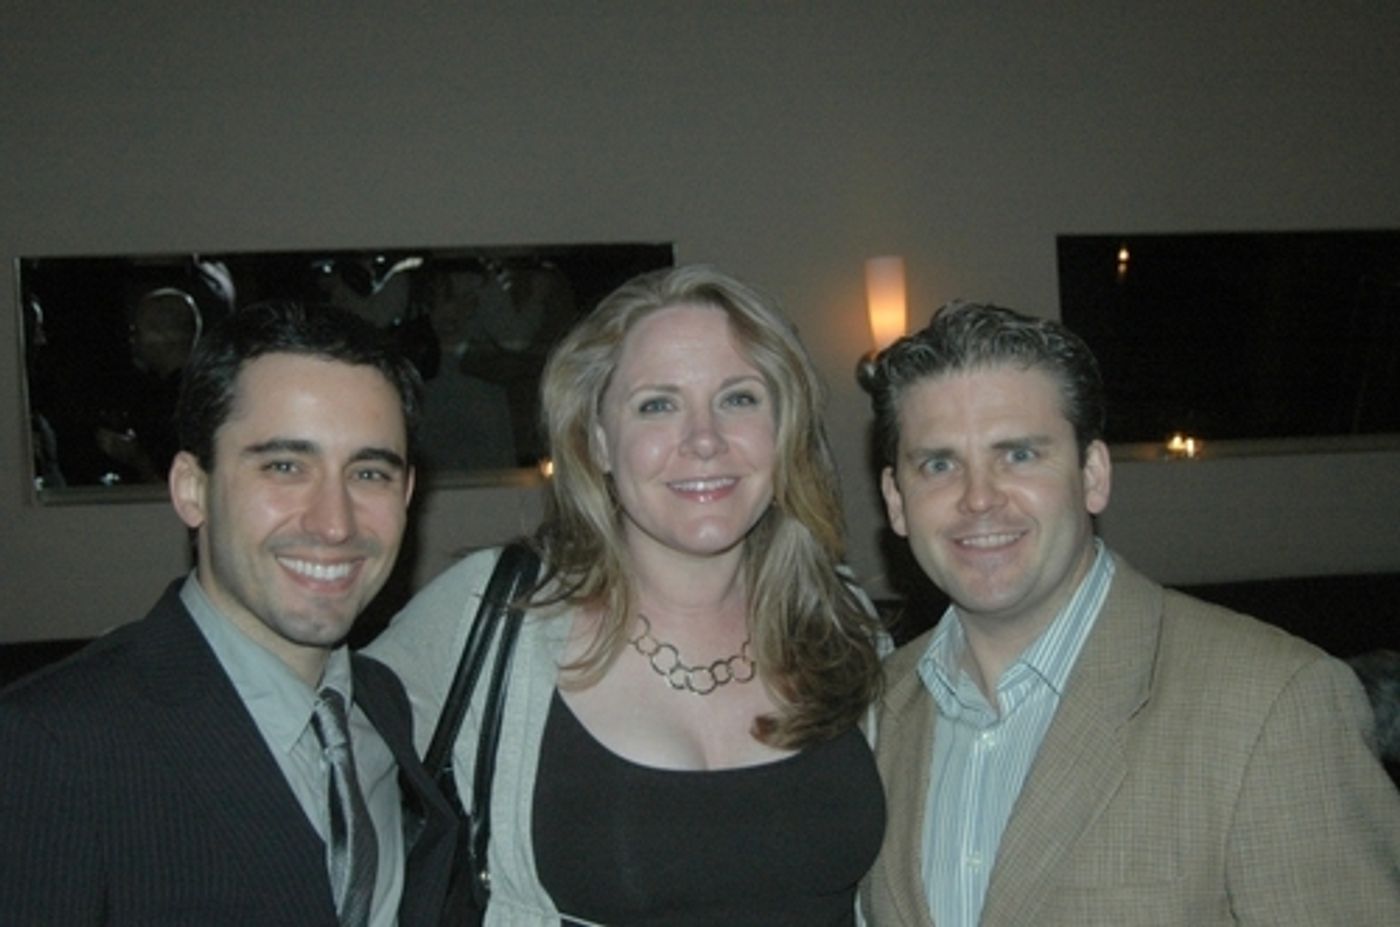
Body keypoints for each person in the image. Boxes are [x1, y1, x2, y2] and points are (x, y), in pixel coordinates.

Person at [368, 264, 886, 925]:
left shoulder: (842, 623)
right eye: (657, 405)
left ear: (784, 429)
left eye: (739, 398)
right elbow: (300, 762)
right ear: (599, 443)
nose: (705, 440)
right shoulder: (491, 615)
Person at [860, 301, 1400, 925]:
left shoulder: (1273, 704)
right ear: (896, 501)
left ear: (1093, 475)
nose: (978, 498)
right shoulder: (870, 718)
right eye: (939, 464)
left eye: (1019, 455)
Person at [0, 300, 457, 926]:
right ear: (192, 488)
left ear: (407, 494)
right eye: (285, 467)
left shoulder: (382, 708)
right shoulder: (52, 746)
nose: (335, 523)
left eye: (369, 473)